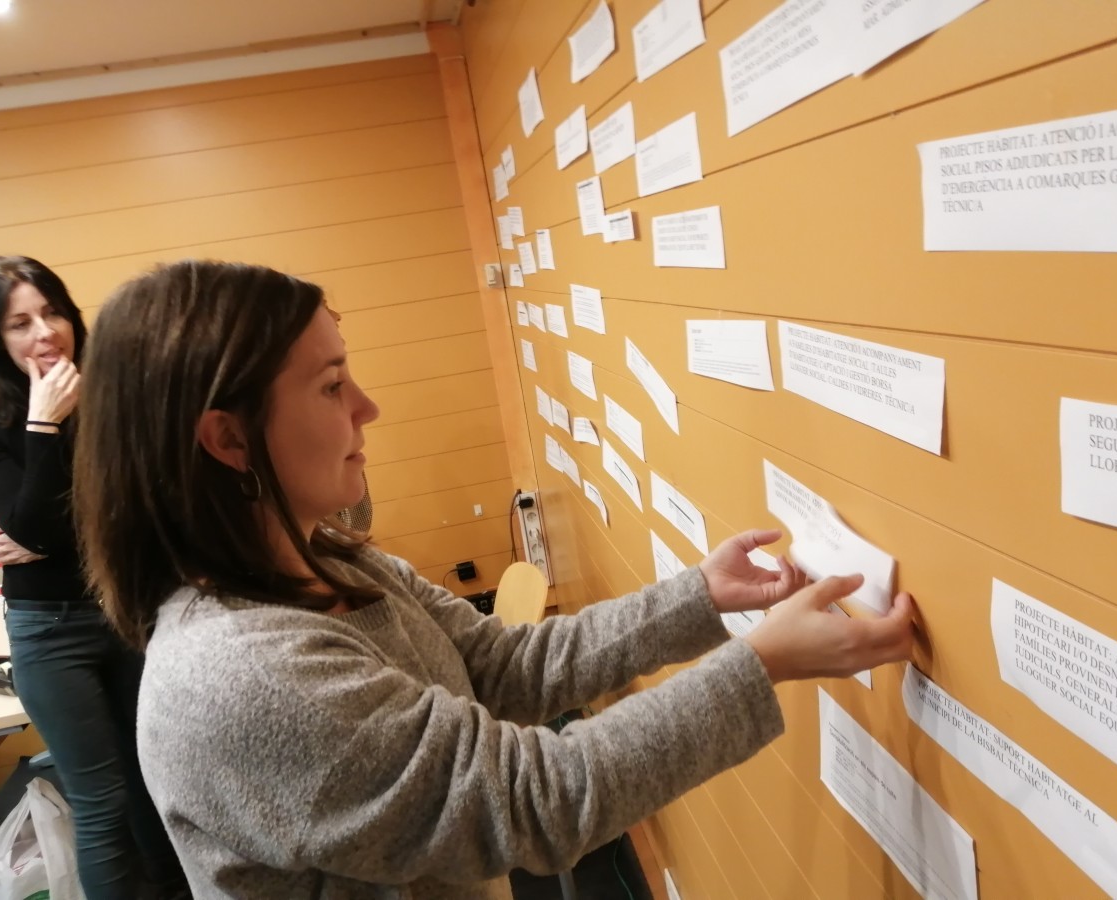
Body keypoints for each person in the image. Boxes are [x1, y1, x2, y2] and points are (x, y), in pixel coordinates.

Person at [72, 259, 916, 900]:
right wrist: (763, 662)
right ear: (228, 440)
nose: (367, 407)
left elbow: (498, 666)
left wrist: (700, 598)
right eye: (331, 386)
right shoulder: (243, 677)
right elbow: (535, 799)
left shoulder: (331, 557)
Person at [0, 256, 186, 900]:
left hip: (134, 610)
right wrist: (44, 424)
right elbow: (36, 530)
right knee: (101, 800)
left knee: (159, 781)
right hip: (50, 629)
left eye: (52, 312)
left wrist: (55, 533)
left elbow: (160, 504)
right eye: (20, 323)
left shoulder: (119, 398)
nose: (44, 333)